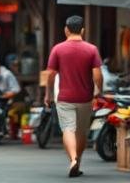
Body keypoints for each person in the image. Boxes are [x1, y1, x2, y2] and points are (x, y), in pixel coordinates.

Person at [45, 15, 102, 178]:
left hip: (65, 98)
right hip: (85, 98)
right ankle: (78, 162)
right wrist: (98, 91)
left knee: (68, 129)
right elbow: (97, 75)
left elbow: (51, 75)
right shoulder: (92, 49)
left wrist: (48, 94)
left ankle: (73, 159)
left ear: (66, 30)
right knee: (81, 132)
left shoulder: (57, 49)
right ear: (83, 30)